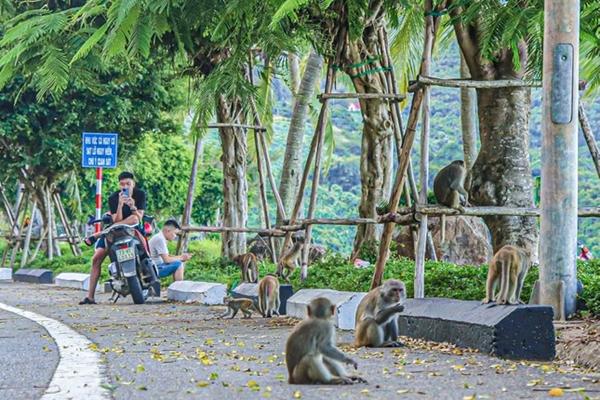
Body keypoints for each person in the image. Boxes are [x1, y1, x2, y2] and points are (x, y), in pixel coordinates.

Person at [79, 171, 146, 305]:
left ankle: (98, 234)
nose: (125, 186)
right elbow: (116, 219)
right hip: (114, 233)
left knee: (134, 220)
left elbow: (139, 218)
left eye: (128, 183)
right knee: (96, 258)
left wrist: (133, 206)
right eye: (122, 184)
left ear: (133, 183)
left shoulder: (140, 194)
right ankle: (90, 296)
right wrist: (120, 204)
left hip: (133, 230)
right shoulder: (114, 198)